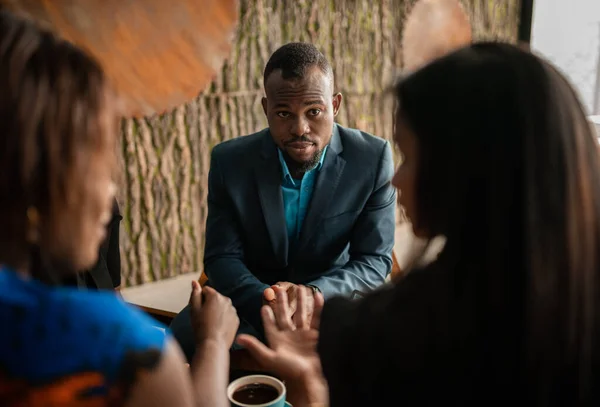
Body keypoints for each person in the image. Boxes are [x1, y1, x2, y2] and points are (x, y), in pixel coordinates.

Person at [237, 42, 600, 406]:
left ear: (477, 170)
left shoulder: (398, 336)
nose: (396, 179)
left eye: (410, 157)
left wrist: (309, 389)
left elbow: (374, 262)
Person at [0, 11, 238, 407]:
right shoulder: (118, 346)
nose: (110, 190)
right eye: (98, 162)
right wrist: (213, 343)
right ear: (37, 181)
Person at [170, 42, 396, 361]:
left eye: (314, 112)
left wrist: (312, 295)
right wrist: (269, 300)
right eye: (283, 113)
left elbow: (374, 259)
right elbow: (222, 256)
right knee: (179, 345)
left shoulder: (371, 159)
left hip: (331, 302)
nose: (299, 129)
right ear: (266, 108)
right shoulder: (229, 161)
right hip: (251, 301)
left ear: (335, 105)